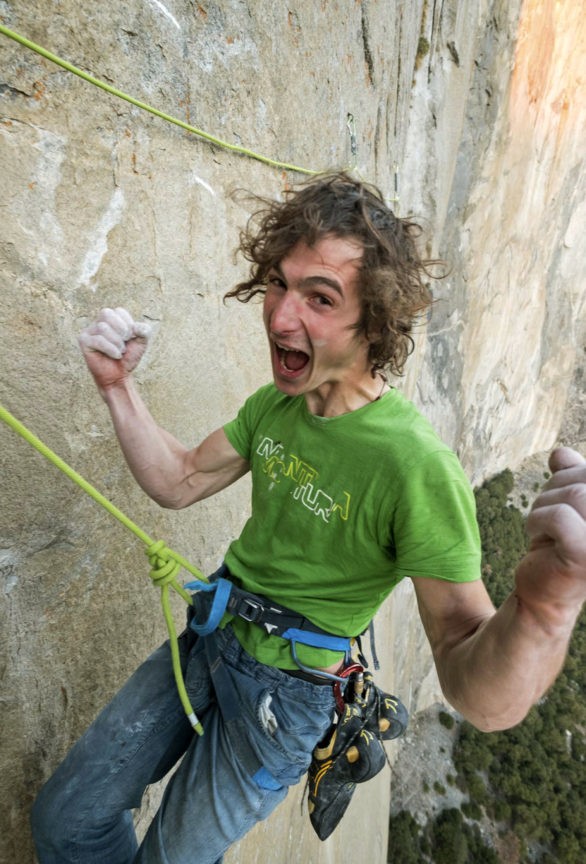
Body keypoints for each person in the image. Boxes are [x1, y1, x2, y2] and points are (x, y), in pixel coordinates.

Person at [31, 172, 586, 864]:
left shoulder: (414, 466)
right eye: (278, 283)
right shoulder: (278, 406)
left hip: (288, 700)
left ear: (374, 321)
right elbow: (179, 480)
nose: (280, 316)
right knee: (64, 820)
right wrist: (117, 389)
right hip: (214, 636)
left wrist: (544, 606)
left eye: (319, 298)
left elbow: (481, 693)